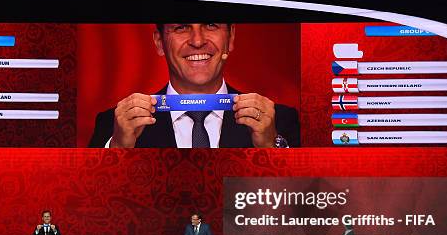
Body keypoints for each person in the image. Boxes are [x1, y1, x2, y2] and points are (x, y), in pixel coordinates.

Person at [88, 23, 300, 148]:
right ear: (159, 42)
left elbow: (305, 210)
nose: (197, 41)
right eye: (182, 27)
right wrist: (117, 149)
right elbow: (85, 210)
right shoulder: (113, 125)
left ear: (231, 37)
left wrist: (272, 148)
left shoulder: (280, 121)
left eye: (210, 25)